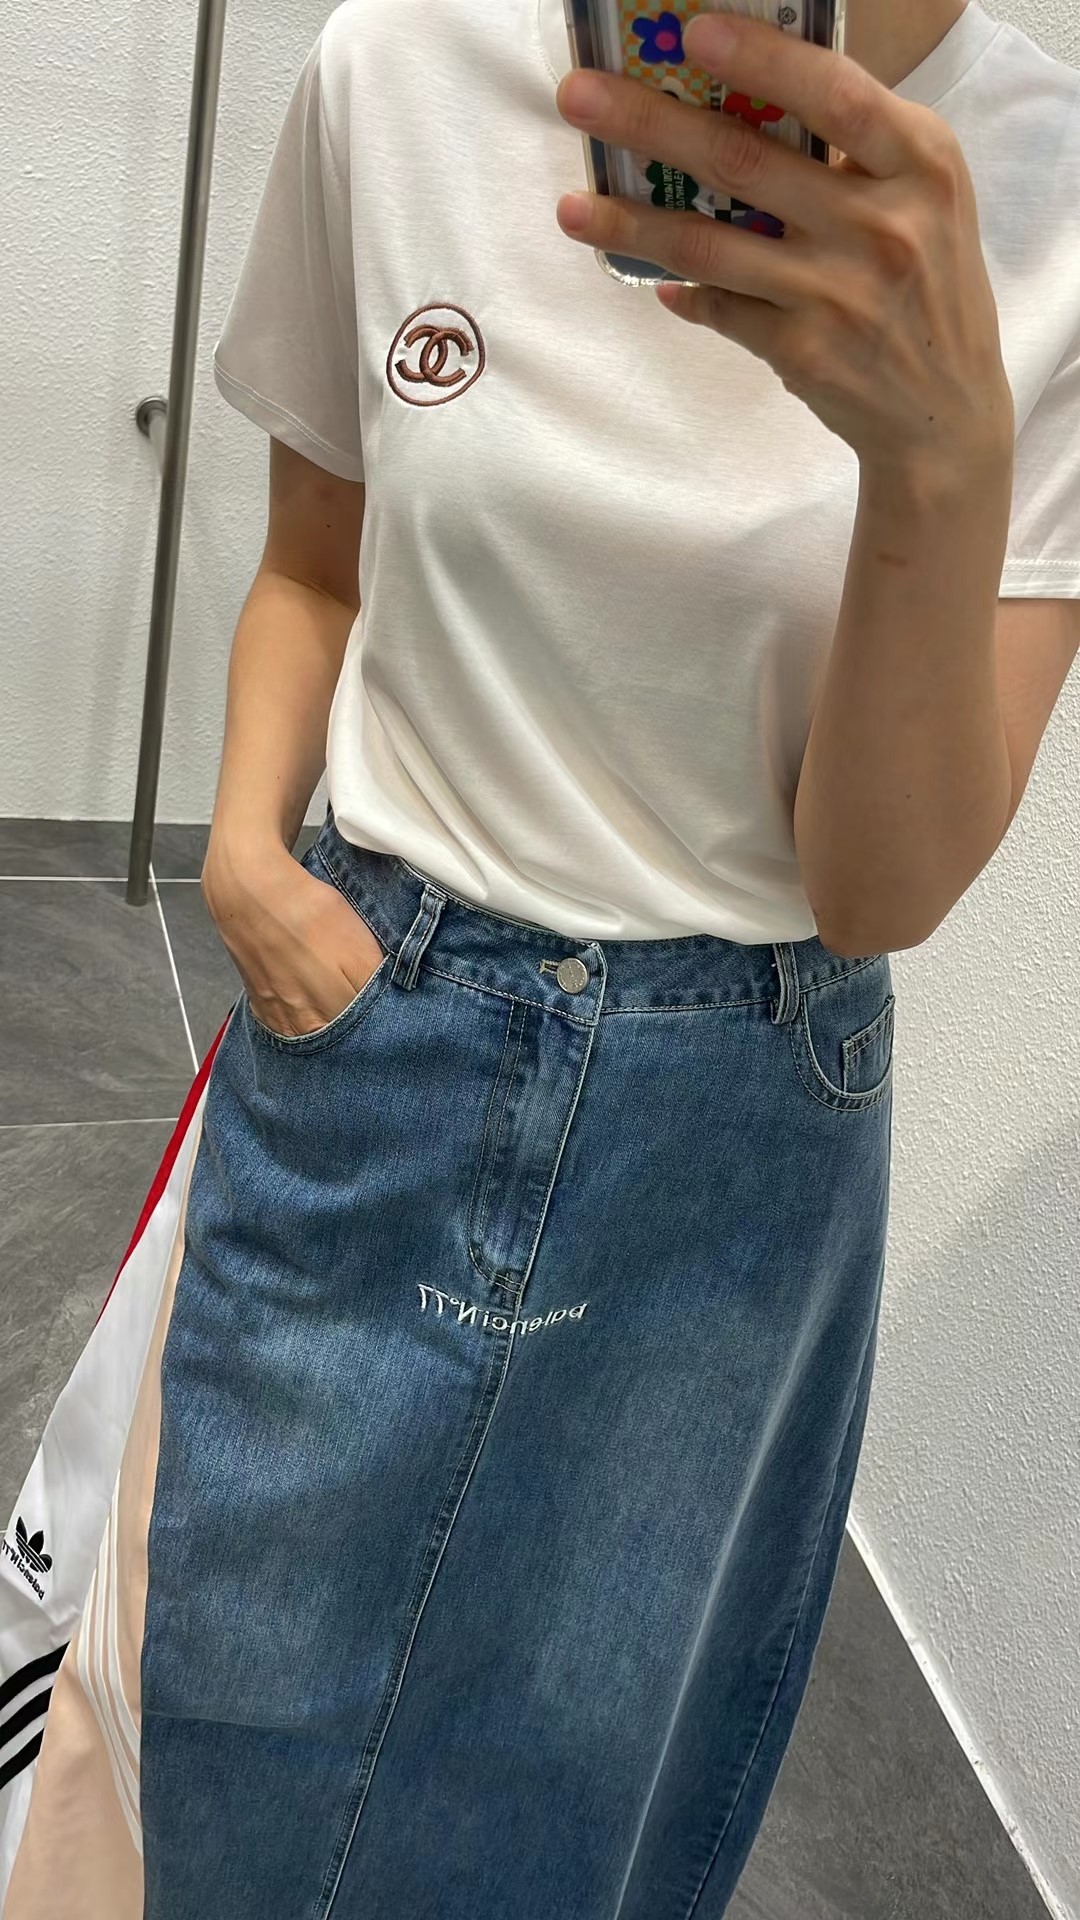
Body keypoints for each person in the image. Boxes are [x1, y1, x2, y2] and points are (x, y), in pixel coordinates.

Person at [3, 2, 1079, 1915]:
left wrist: (939, 467)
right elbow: (313, 566)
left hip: (743, 1122)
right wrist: (242, 854)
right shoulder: (403, 62)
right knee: (236, 1753)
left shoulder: (1048, 180)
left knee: (586, 1815)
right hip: (382, 1018)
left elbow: (876, 889)